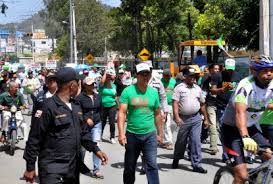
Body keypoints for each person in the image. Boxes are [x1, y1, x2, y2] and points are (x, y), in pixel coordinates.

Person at [23, 67, 108, 184]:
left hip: (72, 168)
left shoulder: (76, 106)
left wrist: (96, 149)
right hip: (52, 168)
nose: (79, 86)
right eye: (78, 83)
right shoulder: (47, 107)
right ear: (72, 85)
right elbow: (34, 138)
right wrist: (30, 167)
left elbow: (83, 132)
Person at [221, 56, 273, 184]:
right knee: (242, 176)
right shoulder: (245, 86)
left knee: (269, 157)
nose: (269, 73)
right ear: (254, 71)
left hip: (250, 126)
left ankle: (258, 178)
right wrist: (245, 136)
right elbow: (240, 112)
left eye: (271, 70)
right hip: (231, 130)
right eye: (265, 70)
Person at [118, 63, 163, 184]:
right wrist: (121, 134)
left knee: (152, 165)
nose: (145, 77)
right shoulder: (128, 91)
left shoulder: (153, 92)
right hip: (132, 135)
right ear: (136, 76)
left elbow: (158, 114)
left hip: (150, 135)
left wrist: (160, 133)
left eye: (147, 74)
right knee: (129, 167)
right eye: (142, 74)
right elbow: (122, 113)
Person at [172, 67, 209, 174]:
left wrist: (205, 119)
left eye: (194, 76)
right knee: (181, 141)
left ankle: (197, 164)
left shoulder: (198, 88)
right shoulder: (179, 88)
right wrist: (177, 117)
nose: (193, 78)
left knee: (196, 141)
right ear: (185, 77)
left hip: (196, 118)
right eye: (191, 76)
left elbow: (202, 104)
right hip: (184, 118)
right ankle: (177, 158)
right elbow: (175, 103)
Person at [76, 76, 104, 179]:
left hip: (96, 124)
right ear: (85, 85)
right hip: (84, 126)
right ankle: (79, 167)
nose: (92, 86)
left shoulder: (98, 96)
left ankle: (96, 170)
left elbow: (101, 109)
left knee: (96, 145)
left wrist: (99, 119)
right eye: (89, 84)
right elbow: (77, 112)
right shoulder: (79, 98)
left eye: (93, 84)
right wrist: (86, 118)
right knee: (82, 148)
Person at [100, 68, 118, 144]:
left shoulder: (114, 86)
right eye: (107, 77)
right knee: (102, 122)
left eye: (109, 78)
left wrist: (118, 105)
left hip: (112, 105)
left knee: (112, 122)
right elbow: (102, 81)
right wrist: (106, 72)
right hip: (103, 106)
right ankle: (99, 136)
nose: (108, 79)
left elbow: (115, 96)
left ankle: (112, 137)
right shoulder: (102, 85)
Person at [160, 69, 176, 150]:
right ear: (163, 75)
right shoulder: (159, 82)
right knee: (167, 123)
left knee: (174, 124)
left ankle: (165, 136)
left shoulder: (173, 81)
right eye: (166, 76)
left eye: (169, 76)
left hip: (173, 105)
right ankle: (168, 142)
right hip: (163, 105)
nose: (167, 78)